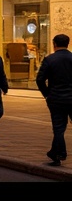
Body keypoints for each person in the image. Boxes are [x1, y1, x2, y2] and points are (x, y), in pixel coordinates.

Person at [35, 33, 72, 166]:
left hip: (56, 98)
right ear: (67, 44)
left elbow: (40, 79)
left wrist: (47, 94)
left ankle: (58, 153)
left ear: (54, 44)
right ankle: (55, 152)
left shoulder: (50, 59)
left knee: (58, 128)